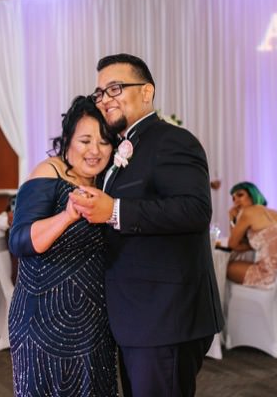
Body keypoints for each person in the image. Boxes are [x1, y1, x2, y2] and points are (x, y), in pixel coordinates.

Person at [70, 53, 219, 396]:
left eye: (115, 88)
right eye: (100, 93)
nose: (105, 100)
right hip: (138, 316)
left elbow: (195, 210)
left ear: (147, 92)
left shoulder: (172, 141)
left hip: (165, 316)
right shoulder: (126, 147)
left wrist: (115, 211)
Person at [9, 95, 120, 396]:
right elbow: (20, 241)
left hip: (93, 319)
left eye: (103, 142)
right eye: (85, 140)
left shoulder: (108, 184)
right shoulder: (49, 173)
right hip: (43, 319)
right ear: (67, 139)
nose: (95, 151)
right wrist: (67, 216)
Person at [224, 182, 277, 287]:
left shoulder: (247, 212)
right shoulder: (276, 213)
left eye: (240, 195)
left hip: (270, 275)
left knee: (223, 268)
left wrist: (232, 219)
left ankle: (228, 303)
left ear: (252, 195)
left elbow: (232, 244)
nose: (236, 200)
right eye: (233, 198)